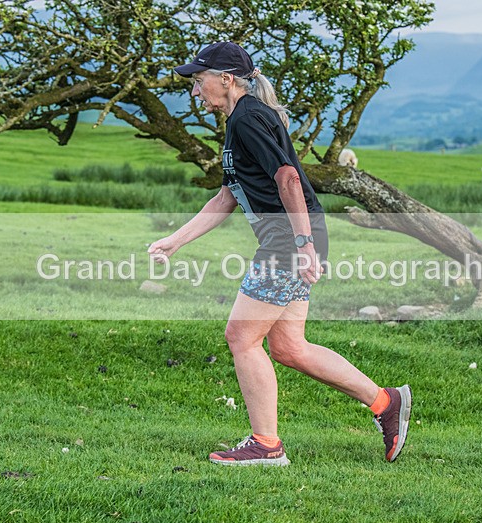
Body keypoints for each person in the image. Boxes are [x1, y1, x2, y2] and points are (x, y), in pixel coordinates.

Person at [148, 41, 411, 466]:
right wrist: (175, 241)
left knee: (241, 336)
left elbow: (288, 177)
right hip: (293, 238)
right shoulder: (240, 121)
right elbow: (226, 197)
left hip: (288, 241)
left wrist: (304, 246)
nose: (196, 91)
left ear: (226, 79)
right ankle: (386, 402)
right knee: (289, 347)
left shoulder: (249, 117)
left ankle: (266, 445)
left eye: (199, 81)